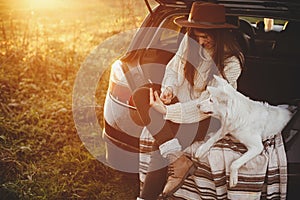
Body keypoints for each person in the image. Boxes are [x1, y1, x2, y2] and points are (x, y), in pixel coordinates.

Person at [133, 2, 244, 199]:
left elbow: (206, 106)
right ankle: (178, 160)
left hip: (208, 116)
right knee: (141, 94)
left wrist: (167, 112)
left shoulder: (232, 62)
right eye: (197, 36)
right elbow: (174, 69)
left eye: (206, 37)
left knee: (161, 142)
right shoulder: (190, 41)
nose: (200, 42)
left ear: (219, 34)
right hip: (180, 104)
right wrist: (168, 90)